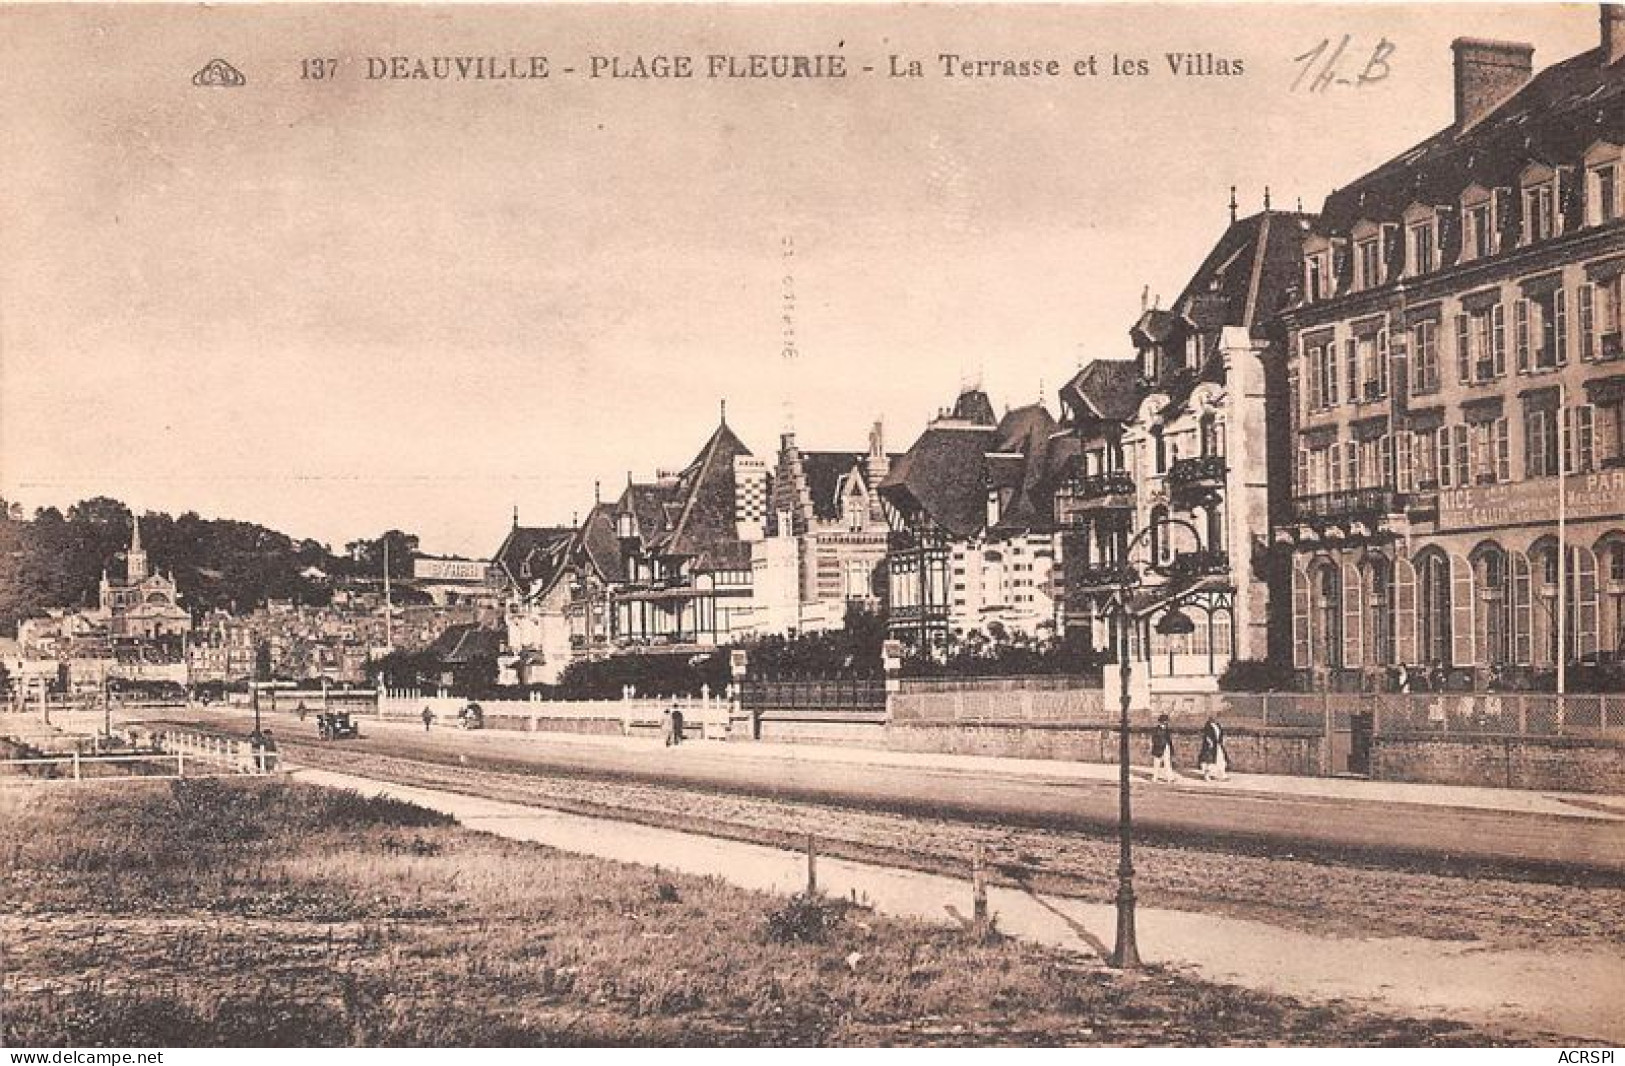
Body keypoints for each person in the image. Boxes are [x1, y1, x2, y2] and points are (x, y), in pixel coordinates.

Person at [1198, 714, 1228, 781]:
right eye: (1213, 717)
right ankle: (1207, 775)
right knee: (1209, 761)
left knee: (1220, 760)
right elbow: (1206, 736)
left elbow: (1220, 734)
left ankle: (1220, 775)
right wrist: (1210, 742)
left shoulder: (1217, 725)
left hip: (1217, 744)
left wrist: (1221, 740)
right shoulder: (1208, 726)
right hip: (1210, 746)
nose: (1215, 718)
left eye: (1215, 717)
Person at [1151, 713, 1175, 783]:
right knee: (1156, 763)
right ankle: (1154, 777)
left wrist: (1170, 747)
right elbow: (1154, 739)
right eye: (1165, 721)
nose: (1166, 723)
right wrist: (1159, 744)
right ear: (1161, 721)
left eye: (1166, 721)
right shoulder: (1156, 729)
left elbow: (1169, 739)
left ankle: (1169, 778)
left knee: (1167, 763)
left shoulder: (1166, 729)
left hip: (1166, 747)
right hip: (1158, 748)